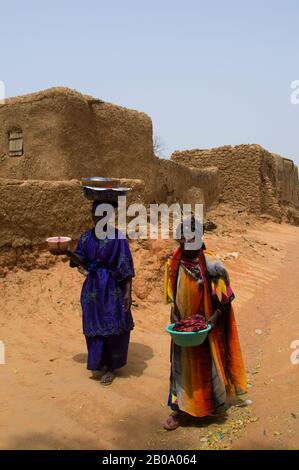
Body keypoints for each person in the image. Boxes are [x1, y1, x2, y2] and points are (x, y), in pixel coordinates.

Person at [163, 217, 247, 430]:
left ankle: (208, 407)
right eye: (183, 240)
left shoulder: (212, 266)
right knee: (182, 368)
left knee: (206, 368)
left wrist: (210, 322)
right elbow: (173, 297)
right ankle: (182, 410)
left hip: (206, 330)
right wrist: (176, 320)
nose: (187, 244)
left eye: (192, 239)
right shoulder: (173, 265)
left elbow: (225, 301)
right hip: (183, 329)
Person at [70, 199, 135, 385]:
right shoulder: (85, 238)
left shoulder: (118, 238)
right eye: (94, 214)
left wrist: (128, 292)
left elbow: (126, 267)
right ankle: (99, 362)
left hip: (112, 287)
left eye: (101, 214)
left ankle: (112, 366)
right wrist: (66, 253)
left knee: (114, 323)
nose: (97, 218)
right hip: (92, 289)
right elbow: (80, 261)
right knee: (94, 325)